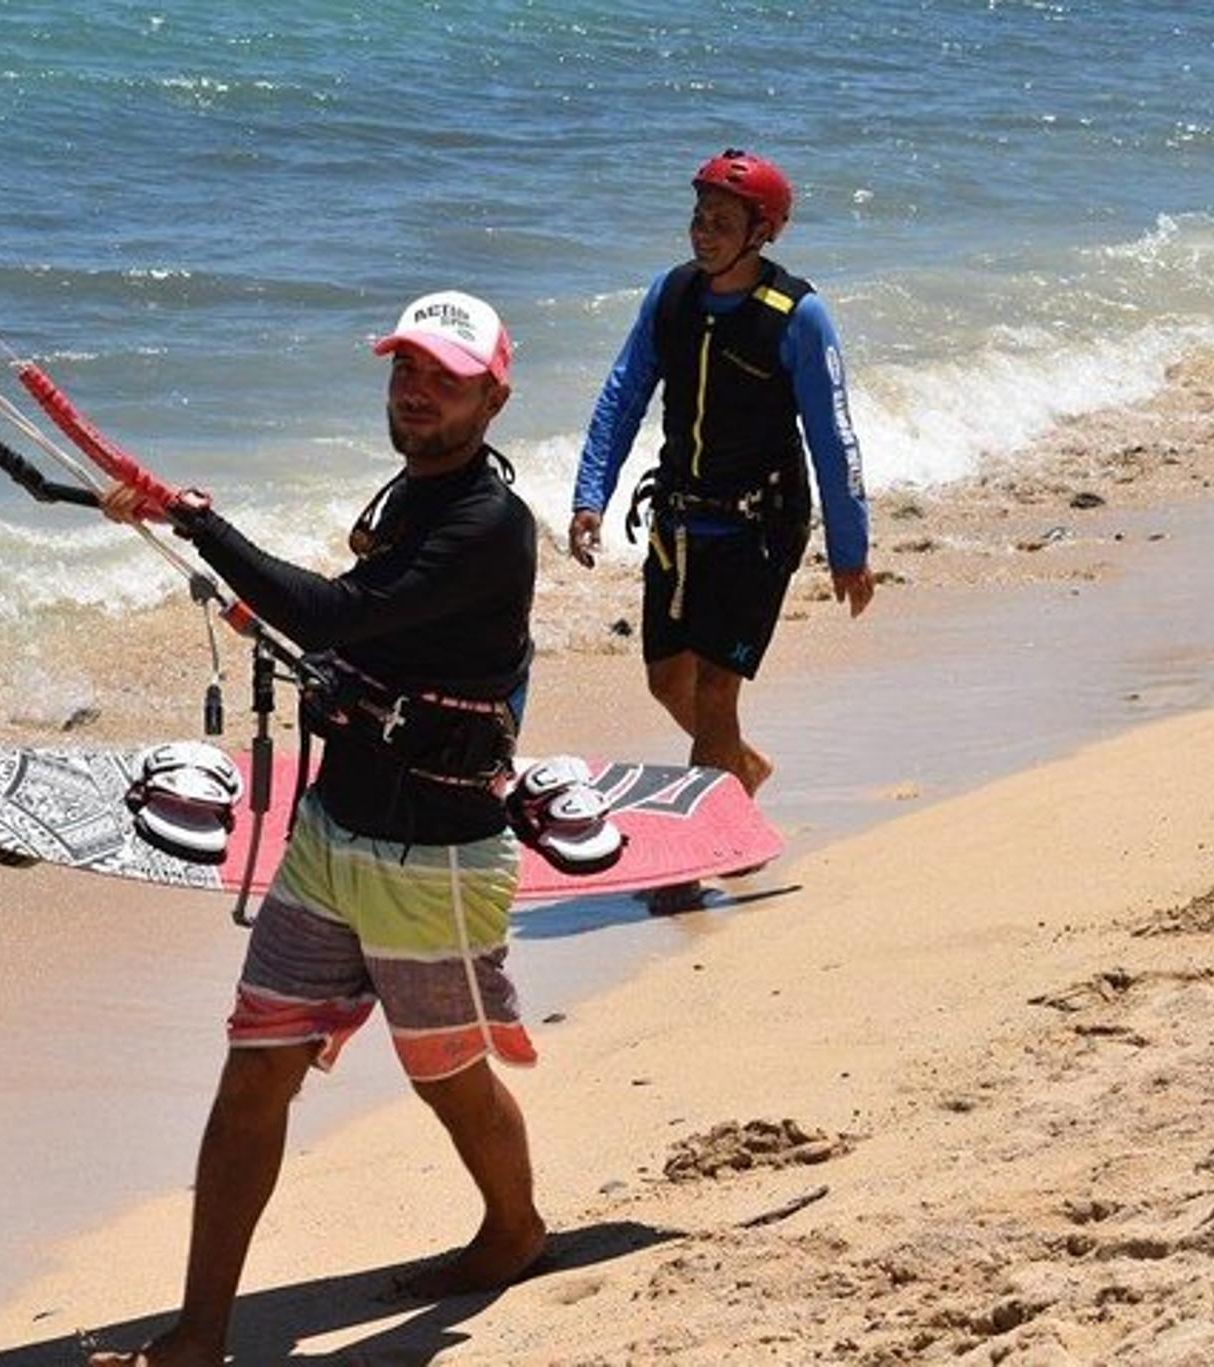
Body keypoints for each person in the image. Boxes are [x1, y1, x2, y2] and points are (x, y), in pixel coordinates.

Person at [93, 290, 543, 1366]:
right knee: (254, 1068)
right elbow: (351, 621)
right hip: (332, 834)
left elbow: (336, 616)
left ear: (493, 392)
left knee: (443, 1073)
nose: (414, 388)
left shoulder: (487, 522)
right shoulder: (407, 495)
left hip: (434, 857)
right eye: (403, 368)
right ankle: (200, 1334)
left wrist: (200, 523)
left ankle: (515, 1227)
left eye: (442, 374)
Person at [568, 148, 873, 906]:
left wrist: (850, 547)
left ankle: (687, 861)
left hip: (759, 526)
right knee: (667, 678)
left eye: (722, 222)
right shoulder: (671, 297)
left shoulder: (796, 316)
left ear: (761, 232)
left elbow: (833, 436)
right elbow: (621, 395)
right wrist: (587, 498)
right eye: (698, 218)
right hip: (679, 520)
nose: (703, 234)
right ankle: (739, 773)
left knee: (713, 691)